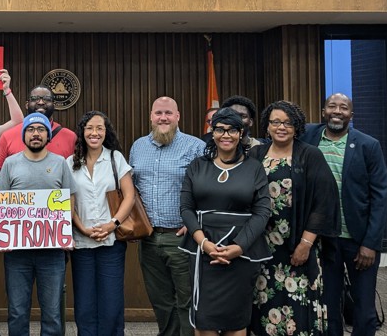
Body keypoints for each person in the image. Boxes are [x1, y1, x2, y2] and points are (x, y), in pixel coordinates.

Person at [248, 100, 340, 336]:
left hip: (298, 248)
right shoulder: (255, 154)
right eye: (276, 122)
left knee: (298, 309)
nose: (281, 127)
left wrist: (306, 244)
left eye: (288, 123)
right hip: (261, 248)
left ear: (297, 126)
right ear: (267, 126)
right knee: (262, 303)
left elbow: (324, 202)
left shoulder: (310, 155)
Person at [300, 93, 387, 336]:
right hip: (322, 238)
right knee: (327, 304)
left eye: (343, 108)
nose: (337, 111)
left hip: (358, 240)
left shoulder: (368, 145)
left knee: (363, 308)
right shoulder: (308, 137)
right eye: (332, 106)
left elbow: (380, 197)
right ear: (322, 111)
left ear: (352, 115)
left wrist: (370, 244)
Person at [178, 108, 272, 336]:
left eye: (232, 130)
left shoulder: (254, 168)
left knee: (235, 322)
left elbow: (262, 212)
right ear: (213, 133)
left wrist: (238, 247)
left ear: (241, 134)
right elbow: (186, 209)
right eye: (220, 129)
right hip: (204, 252)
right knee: (204, 321)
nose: (225, 135)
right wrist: (203, 243)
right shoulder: (197, 166)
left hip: (241, 253)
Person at [0, 112, 79, 336]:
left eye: (41, 130)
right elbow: (0, 201)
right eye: (31, 130)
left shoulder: (60, 163)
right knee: (17, 311)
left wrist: (65, 232)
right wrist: (3, 234)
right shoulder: (10, 164)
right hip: (17, 253)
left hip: (52, 253)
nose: (35, 134)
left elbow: (70, 197)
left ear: (48, 135)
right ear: (24, 134)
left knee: (52, 313)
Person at [129, 96, 204, 336]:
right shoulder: (137, 146)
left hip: (181, 237)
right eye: (158, 113)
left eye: (168, 113)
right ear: (151, 116)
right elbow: (132, 189)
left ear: (178, 116)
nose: (163, 118)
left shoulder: (195, 147)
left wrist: (194, 222)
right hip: (148, 239)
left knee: (186, 299)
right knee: (160, 300)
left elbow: (205, 189)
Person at [66, 111, 135, 336]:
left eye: (100, 128)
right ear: (82, 132)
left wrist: (112, 224)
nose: (94, 133)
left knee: (111, 302)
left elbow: (129, 196)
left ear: (106, 132)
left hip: (111, 243)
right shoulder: (70, 162)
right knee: (85, 304)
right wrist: (81, 228)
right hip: (81, 243)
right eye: (89, 128)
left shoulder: (115, 158)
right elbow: (68, 202)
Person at [0, 85, 77, 170]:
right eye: (35, 98)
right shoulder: (8, 136)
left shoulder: (70, 137)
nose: (41, 102)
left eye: (47, 99)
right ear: (27, 105)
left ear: (54, 104)